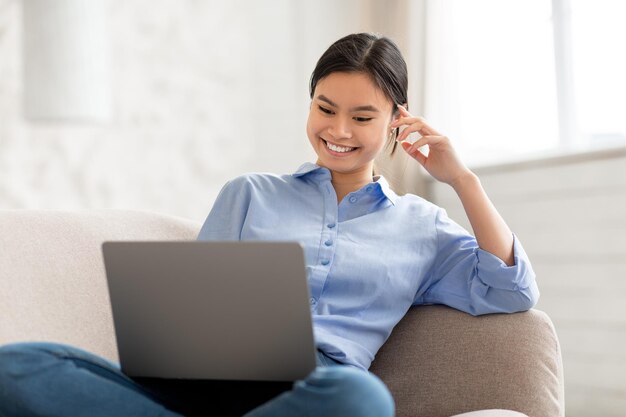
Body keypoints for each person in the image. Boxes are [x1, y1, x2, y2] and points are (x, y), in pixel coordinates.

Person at [0, 33, 539, 417]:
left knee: (362, 400)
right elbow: (191, 318)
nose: (338, 130)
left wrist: (462, 179)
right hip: (215, 384)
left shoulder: (423, 227)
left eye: (363, 117)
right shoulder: (250, 193)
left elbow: (511, 290)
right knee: (19, 366)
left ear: (399, 119)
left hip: (321, 390)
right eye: (325, 109)